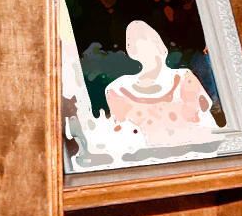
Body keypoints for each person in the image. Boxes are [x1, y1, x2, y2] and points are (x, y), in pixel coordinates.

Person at [95, 16, 223, 151]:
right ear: (132, 52)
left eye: (150, 42)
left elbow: (207, 124)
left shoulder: (184, 78)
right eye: (138, 45)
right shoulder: (118, 89)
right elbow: (123, 138)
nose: (147, 51)